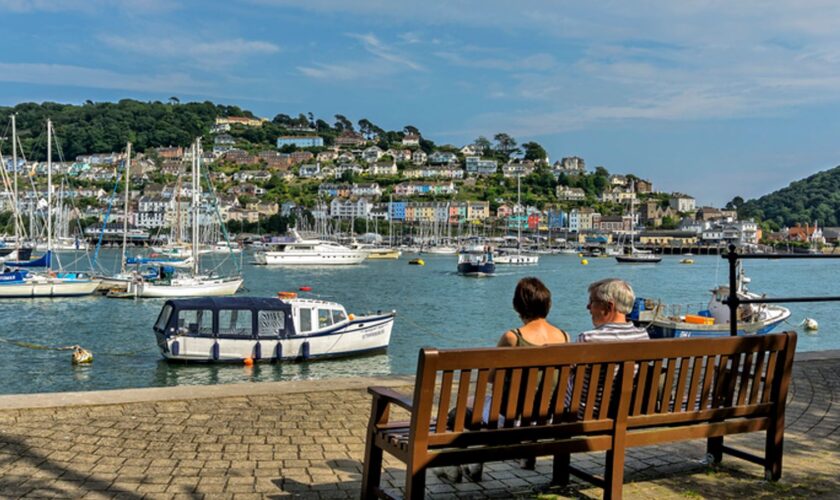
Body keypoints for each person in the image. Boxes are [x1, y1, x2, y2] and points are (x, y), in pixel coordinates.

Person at [437, 277, 568, 483]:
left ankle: (456, 464)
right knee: (520, 403)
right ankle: (525, 456)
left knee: (460, 411)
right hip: (548, 417)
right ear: (547, 304)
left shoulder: (513, 337)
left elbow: (490, 378)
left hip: (511, 419)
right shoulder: (564, 336)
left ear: (518, 305)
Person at [580, 278, 649, 343]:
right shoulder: (642, 335)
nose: (588, 306)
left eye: (592, 301)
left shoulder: (588, 338)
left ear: (609, 306)